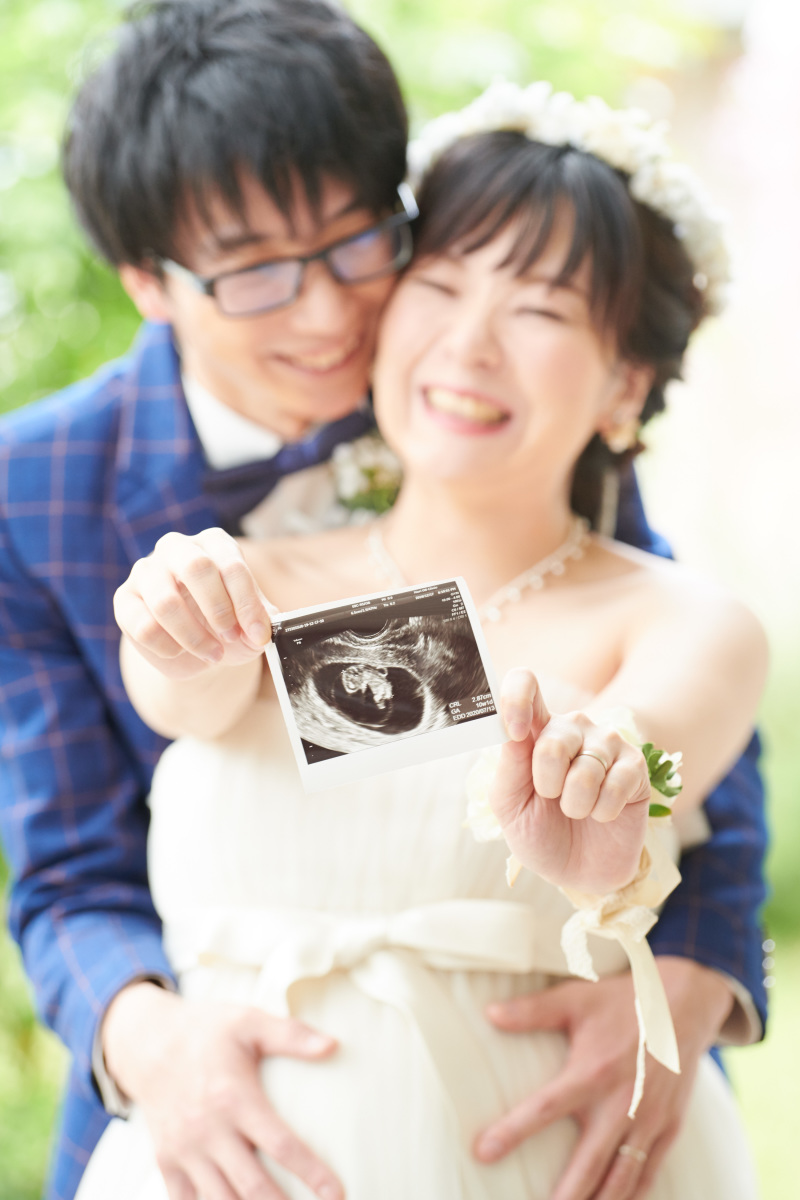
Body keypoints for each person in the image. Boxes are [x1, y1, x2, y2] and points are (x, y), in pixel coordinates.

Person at [0, 1, 766, 1196]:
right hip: (223, 1115)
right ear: (150, 281)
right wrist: (155, 1047)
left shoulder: (470, 409)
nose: (326, 317)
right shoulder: (46, 496)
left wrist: (683, 958)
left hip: (535, 1113)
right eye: (254, 273)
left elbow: (660, 718)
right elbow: (80, 844)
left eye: (357, 245)